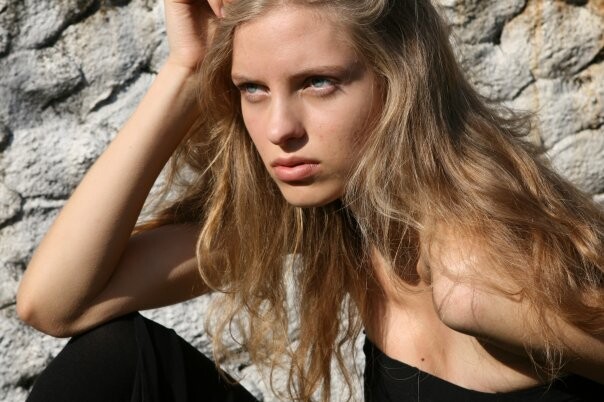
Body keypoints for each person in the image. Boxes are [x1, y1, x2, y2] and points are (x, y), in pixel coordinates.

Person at [16, 0, 604, 401]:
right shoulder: (330, 214)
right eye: (252, 88)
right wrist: (188, 70)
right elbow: (57, 304)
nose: (279, 129)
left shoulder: (480, 275)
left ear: (400, 77)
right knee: (115, 358)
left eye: (318, 82)